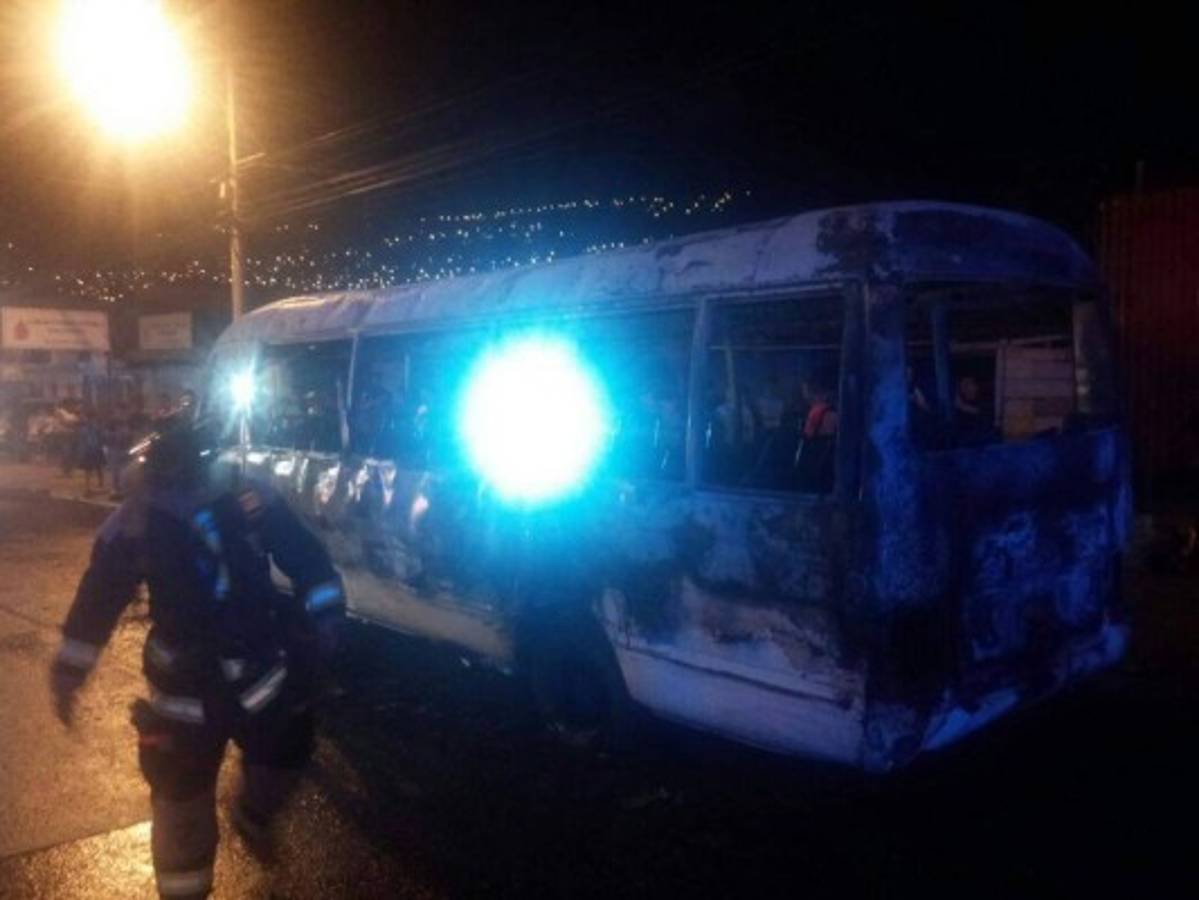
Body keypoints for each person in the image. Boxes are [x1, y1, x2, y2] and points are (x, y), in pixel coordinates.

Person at [49, 414, 345, 899]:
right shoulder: (135, 522)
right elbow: (97, 602)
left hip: (259, 680)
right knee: (180, 809)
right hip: (185, 697)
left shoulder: (249, 502)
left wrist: (326, 618)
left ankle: (253, 814)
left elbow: (310, 563)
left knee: (282, 763)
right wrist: (69, 670)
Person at [794, 372, 839, 493]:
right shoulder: (833, 411)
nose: (804, 395)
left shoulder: (817, 412)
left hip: (815, 464)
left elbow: (808, 438)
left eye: (805, 390)